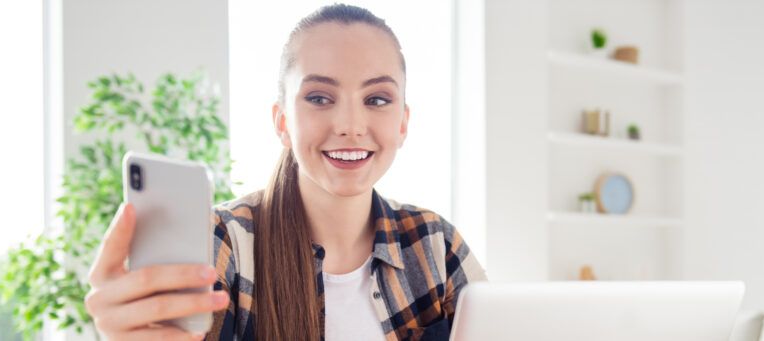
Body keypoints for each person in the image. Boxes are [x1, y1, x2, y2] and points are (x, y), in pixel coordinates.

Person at [84, 4, 487, 341]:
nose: (350, 124)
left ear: (402, 123)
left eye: (377, 99)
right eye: (319, 98)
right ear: (282, 122)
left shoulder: (436, 246)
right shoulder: (224, 245)